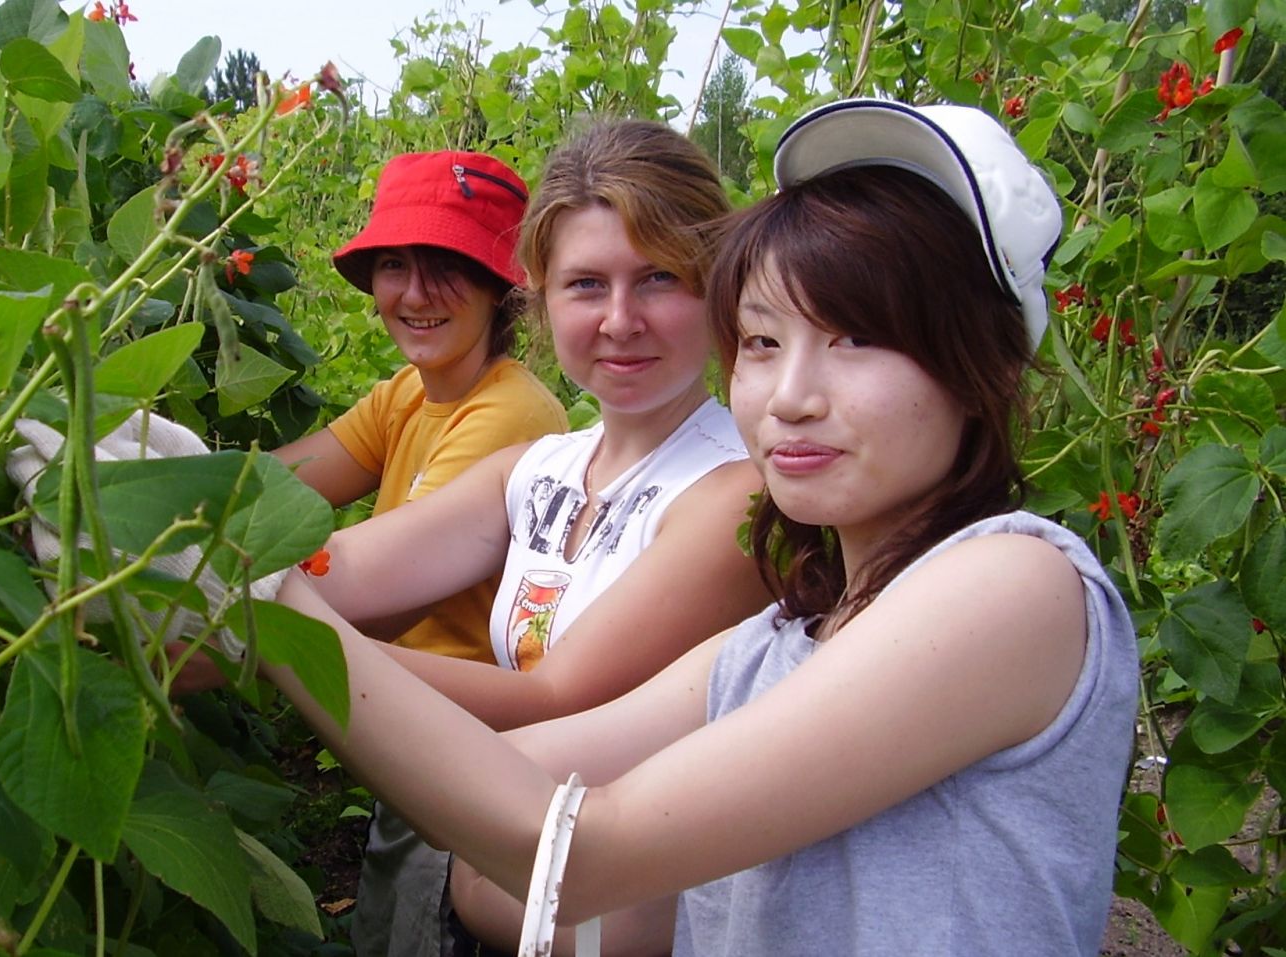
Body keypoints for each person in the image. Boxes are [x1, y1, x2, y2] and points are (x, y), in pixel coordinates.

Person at [263, 98, 1138, 956]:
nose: (791, 396)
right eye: (762, 340)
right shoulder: (776, 644)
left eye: (860, 337)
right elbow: (513, 773)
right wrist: (209, 545)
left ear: (981, 358)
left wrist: (267, 603)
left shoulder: (1016, 584)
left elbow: (579, 845)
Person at [259, 120, 771, 955]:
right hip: (508, 878)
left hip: (621, 913)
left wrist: (266, 620)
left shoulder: (735, 494)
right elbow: (345, 564)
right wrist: (170, 520)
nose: (619, 319)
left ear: (716, 284)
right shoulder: (540, 470)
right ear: (539, 294)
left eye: (658, 279)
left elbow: (558, 698)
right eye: (584, 285)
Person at [275, 150, 568, 663]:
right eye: (394, 265)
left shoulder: (511, 412)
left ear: (498, 285)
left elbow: (381, 600)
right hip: (385, 691)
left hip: (462, 721)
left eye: (446, 267)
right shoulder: (406, 393)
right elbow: (275, 484)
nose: (415, 294)